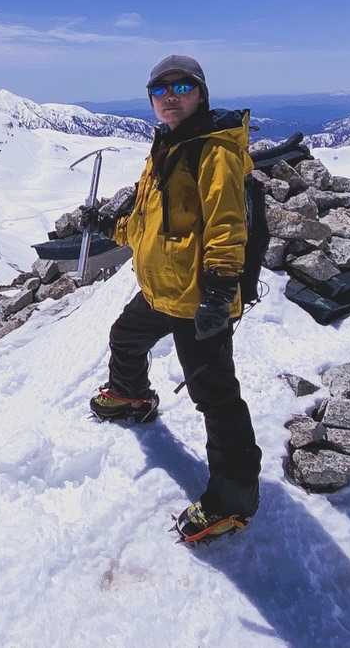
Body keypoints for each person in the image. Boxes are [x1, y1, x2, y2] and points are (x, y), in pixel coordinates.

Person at [86, 54, 262, 542]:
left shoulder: (213, 150)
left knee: (215, 397)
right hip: (164, 288)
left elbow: (228, 225)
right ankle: (131, 396)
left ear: (201, 94)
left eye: (182, 87)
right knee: (125, 336)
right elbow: (151, 225)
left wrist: (220, 290)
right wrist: (109, 226)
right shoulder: (168, 145)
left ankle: (233, 499)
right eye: (160, 90)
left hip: (198, 297)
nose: (170, 97)